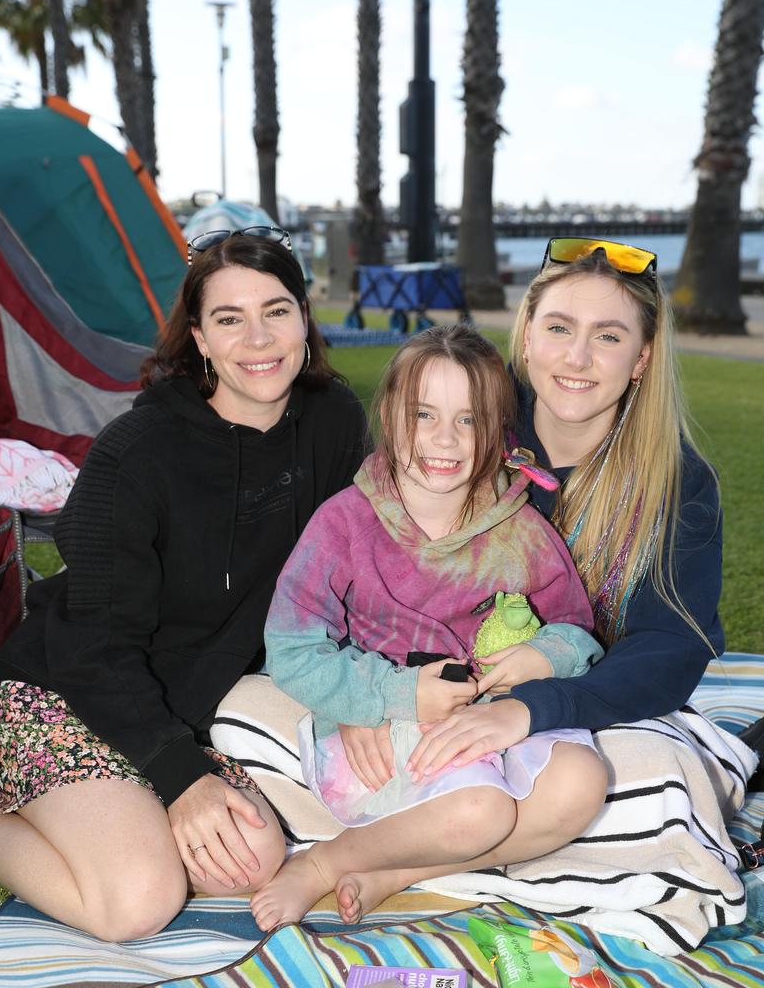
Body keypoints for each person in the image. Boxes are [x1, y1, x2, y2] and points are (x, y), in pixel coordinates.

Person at [0, 228, 369, 941]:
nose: (258, 338)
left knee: (252, 858)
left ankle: (115, 812)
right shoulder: (135, 456)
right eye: (229, 319)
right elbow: (96, 649)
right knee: (139, 899)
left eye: (277, 310)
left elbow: (351, 567)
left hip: (177, 699)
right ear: (198, 337)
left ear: (304, 319)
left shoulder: (332, 423)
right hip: (62, 691)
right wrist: (181, 779)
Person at [399, 238, 756, 954]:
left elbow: (669, 647)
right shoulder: (455, 429)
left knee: (655, 790)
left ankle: (402, 863)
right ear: (527, 335)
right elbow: (380, 573)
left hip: (599, 714)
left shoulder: (678, 480)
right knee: (273, 728)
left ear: (643, 358)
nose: (577, 357)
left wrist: (534, 711)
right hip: (437, 697)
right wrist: (418, 688)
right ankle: (497, 853)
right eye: (559, 327)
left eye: (609, 336)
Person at [250, 324, 608, 932]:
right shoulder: (345, 523)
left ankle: (395, 870)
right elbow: (291, 646)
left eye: (468, 420)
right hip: (384, 724)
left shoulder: (519, 531)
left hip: (489, 719)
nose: (445, 439)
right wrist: (384, 701)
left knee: (583, 783)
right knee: (482, 813)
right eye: (424, 414)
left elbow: (577, 629)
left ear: (497, 429)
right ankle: (322, 865)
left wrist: (541, 656)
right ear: (390, 415)